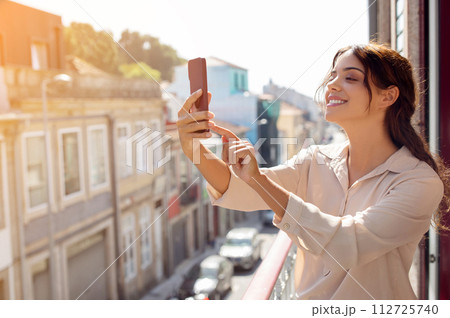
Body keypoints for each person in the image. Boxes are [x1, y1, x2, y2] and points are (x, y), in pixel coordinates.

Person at [176, 42, 449, 300]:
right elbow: (241, 192)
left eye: (350, 78)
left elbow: (347, 243)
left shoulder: (419, 181)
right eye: (333, 76)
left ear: (388, 96)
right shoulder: (315, 159)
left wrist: (259, 180)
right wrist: (194, 149)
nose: (332, 85)